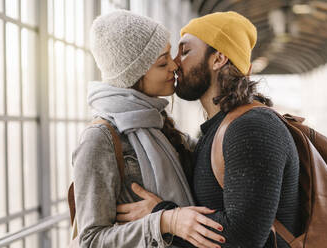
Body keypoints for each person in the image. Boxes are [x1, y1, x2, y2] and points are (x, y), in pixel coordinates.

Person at [118, 11, 301, 248]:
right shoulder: (218, 129)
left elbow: (242, 238)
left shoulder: (251, 127)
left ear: (218, 59)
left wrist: (163, 216)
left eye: (185, 52)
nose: (175, 63)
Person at [72, 10, 226, 248]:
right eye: (163, 62)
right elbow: (90, 241)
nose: (175, 66)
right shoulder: (99, 139)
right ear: (134, 75)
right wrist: (164, 221)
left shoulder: (159, 124)